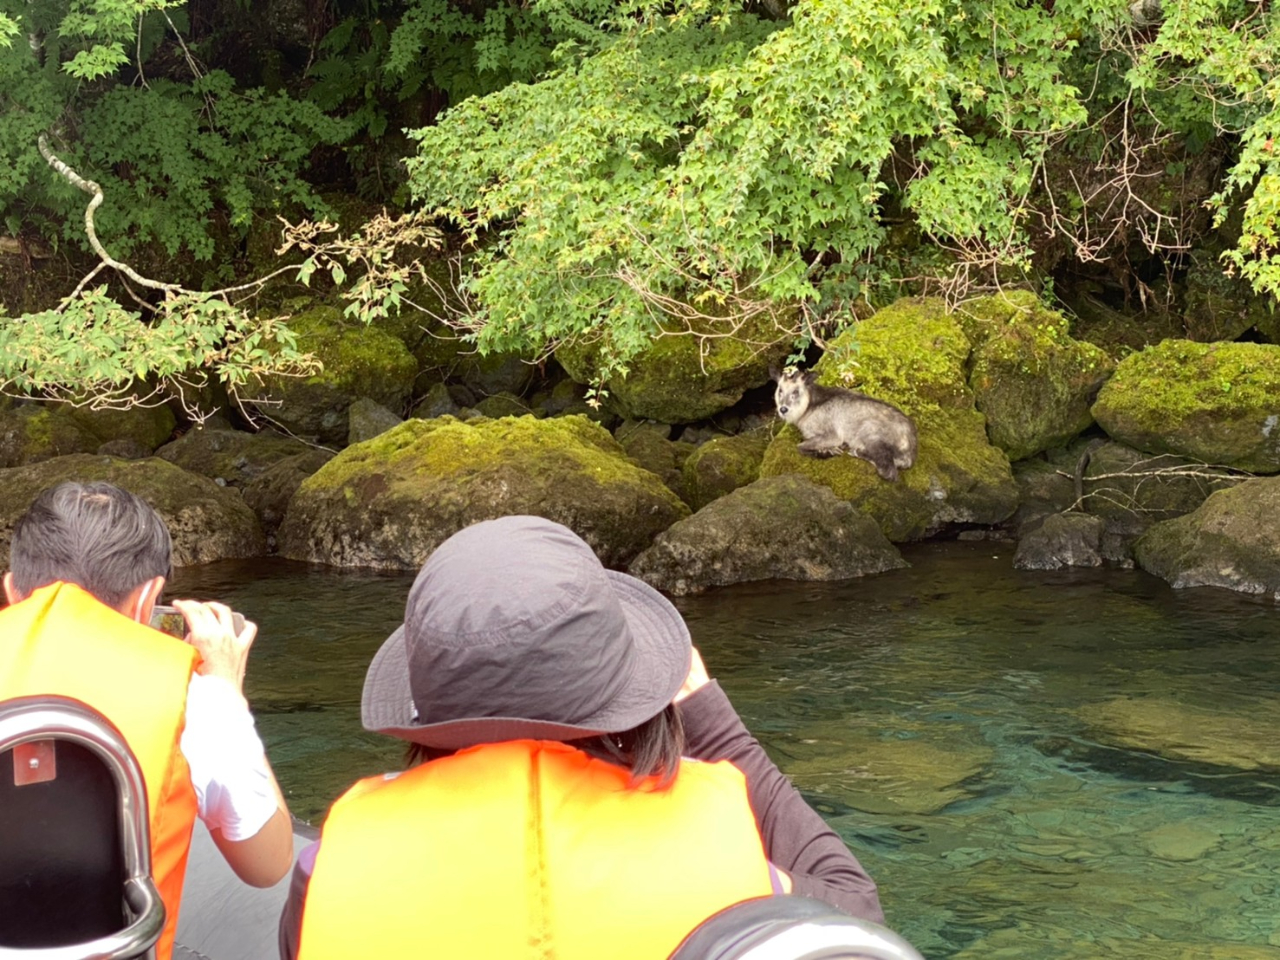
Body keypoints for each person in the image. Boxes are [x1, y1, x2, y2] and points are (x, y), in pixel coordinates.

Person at [279, 515, 882, 960]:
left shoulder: (335, 858)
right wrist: (716, 725)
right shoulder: (716, 835)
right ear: (638, 700)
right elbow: (854, 910)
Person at [0, 481, 294, 960]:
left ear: (13, 590)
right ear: (147, 600)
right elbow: (267, 863)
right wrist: (228, 693)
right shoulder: (195, 701)